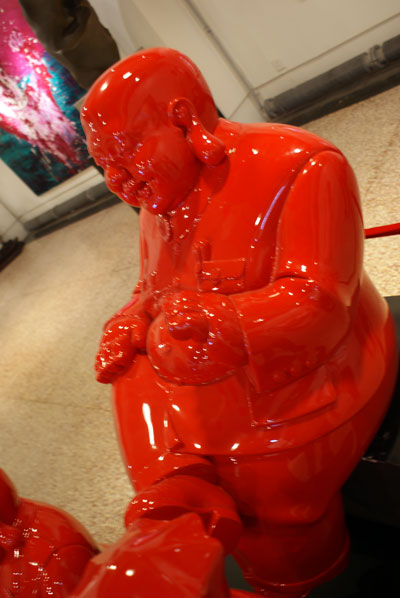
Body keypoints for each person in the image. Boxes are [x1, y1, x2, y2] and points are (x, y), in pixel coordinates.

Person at [81, 48, 398, 597]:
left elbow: (322, 302)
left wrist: (229, 323)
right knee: (134, 371)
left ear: (183, 119)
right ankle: (171, 501)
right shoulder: (160, 200)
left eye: (126, 154)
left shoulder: (303, 165)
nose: (117, 181)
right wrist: (131, 320)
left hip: (318, 364)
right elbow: (150, 288)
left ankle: (299, 575)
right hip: (201, 382)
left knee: (271, 504)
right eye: (103, 165)